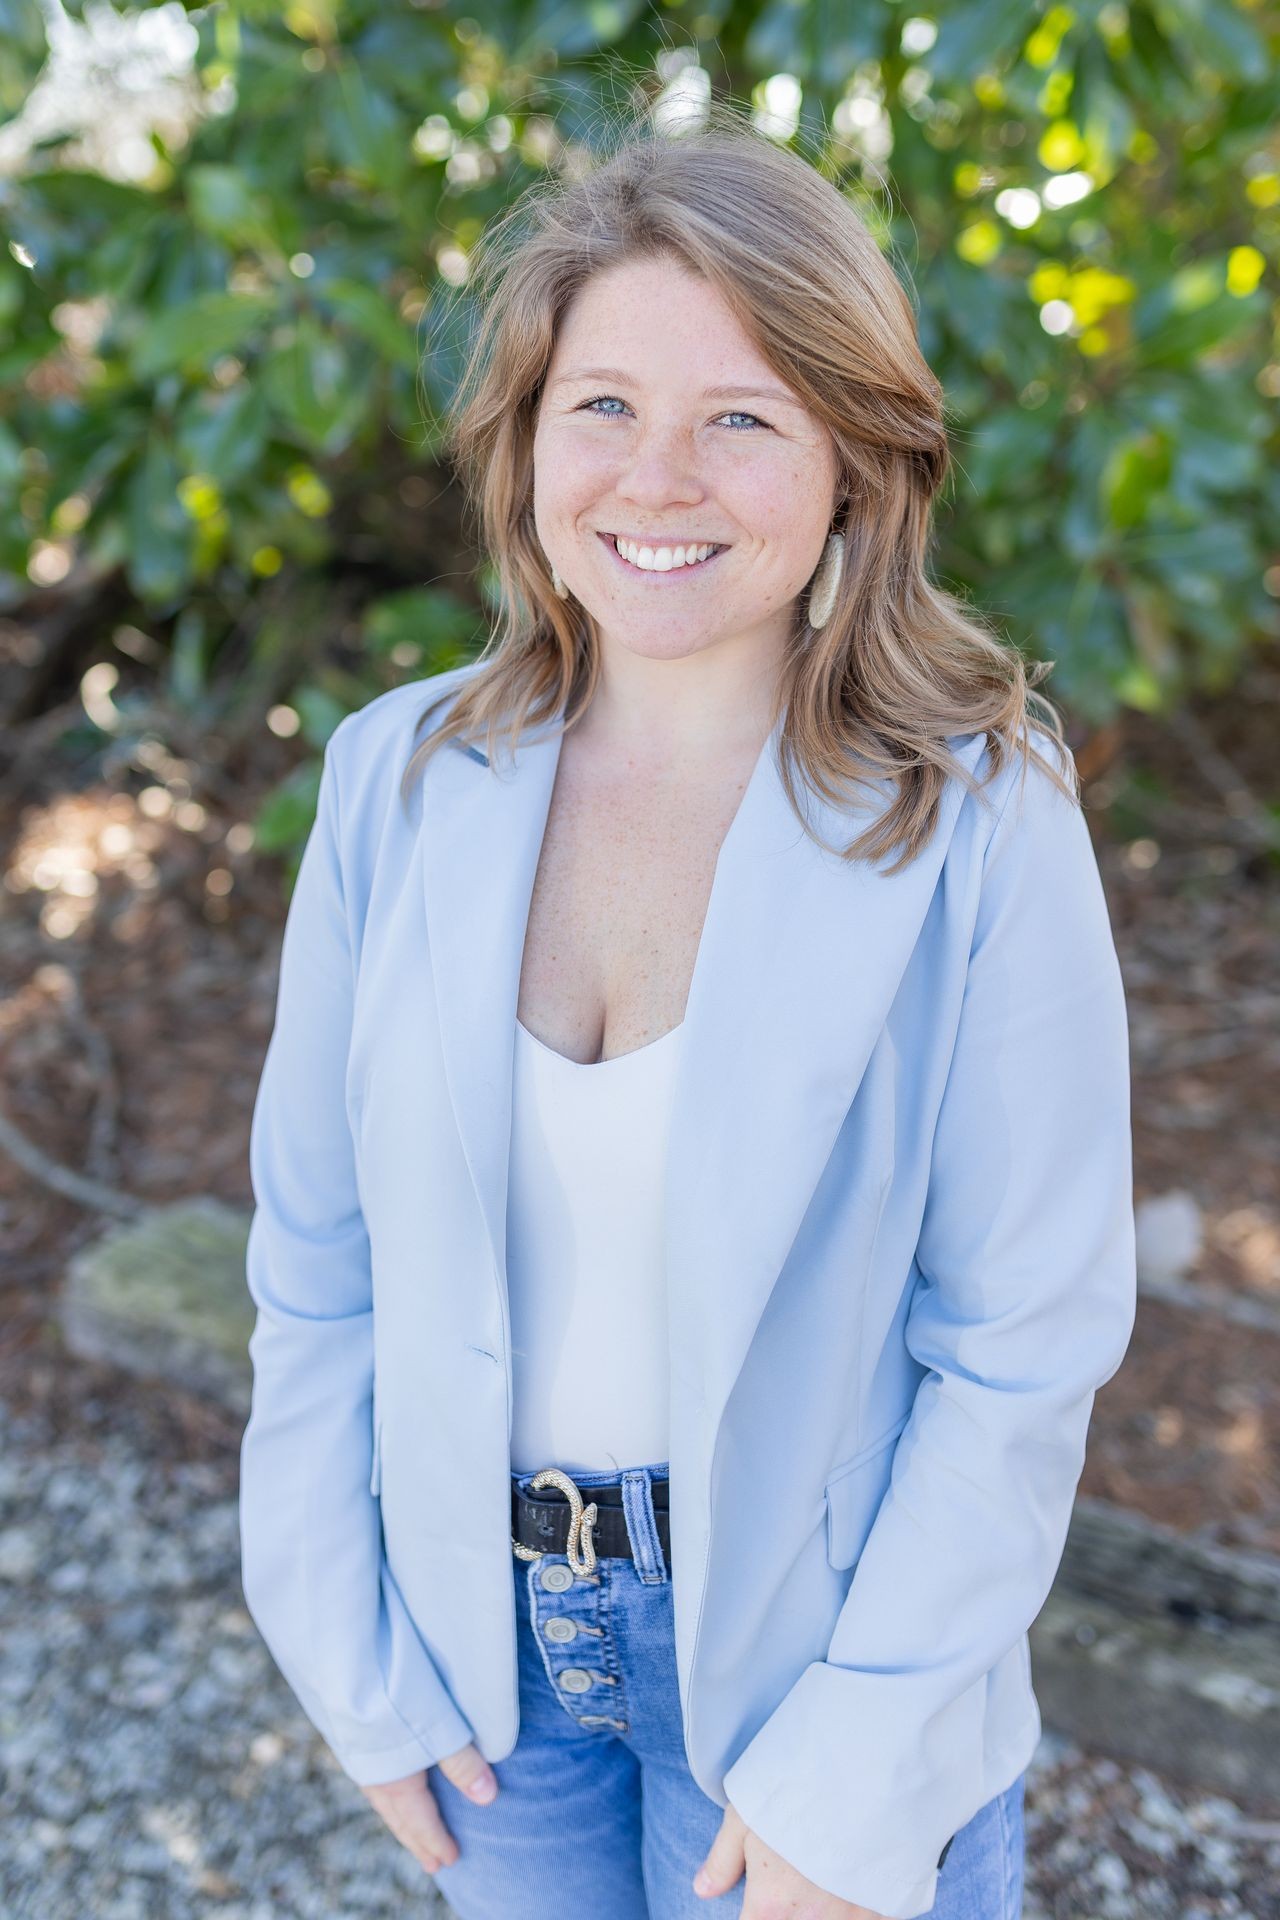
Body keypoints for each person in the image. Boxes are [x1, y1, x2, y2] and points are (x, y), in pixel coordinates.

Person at [238, 102, 1136, 1920]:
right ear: (527, 448)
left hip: (817, 1686)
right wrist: (348, 1653)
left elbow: (1023, 1344)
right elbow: (316, 1264)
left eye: (741, 419)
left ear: (852, 463)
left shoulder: (977, 811)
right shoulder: (396, 779)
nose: (658, 482)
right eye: (605, 410)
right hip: (487, 1679)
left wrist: (861, 1769)